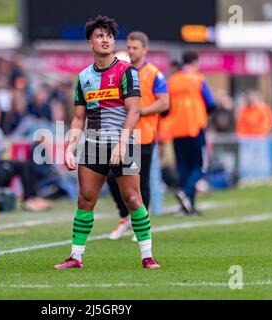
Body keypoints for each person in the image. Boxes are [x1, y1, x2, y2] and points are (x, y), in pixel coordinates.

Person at [54, 15, 160, 269]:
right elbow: (79, 117)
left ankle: (147, 255)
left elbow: (134, 111)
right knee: (85, 199)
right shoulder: (83, 78)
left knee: (133, 199)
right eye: (100, 36)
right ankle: (76, 257)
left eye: (109, 36)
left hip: (124, 140)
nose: (105, 40)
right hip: (94, 142)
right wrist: (70, 146)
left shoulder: (127, 71)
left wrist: (123, 142)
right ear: (90, 42)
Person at [107, 31, 169, 240]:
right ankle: (125, 216)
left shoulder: (153, 73)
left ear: (144, 50)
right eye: (130, 47)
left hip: (143, 135)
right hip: (120, 133)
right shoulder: (122, 71)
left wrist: (142, 110)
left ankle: (141, 225)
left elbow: (164, 102)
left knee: (140, 182)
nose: (131, 51)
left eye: (135, 48)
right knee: (111, 176)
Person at [166, 51, 216, 215]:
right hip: (195, 128)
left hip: (177, 130)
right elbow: (210, 103)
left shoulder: (172, 80)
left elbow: (166, 107)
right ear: (196, 61)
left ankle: (188, 206)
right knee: (200, 166)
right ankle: (186, 193)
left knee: (184, 168)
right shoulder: (197, 78)